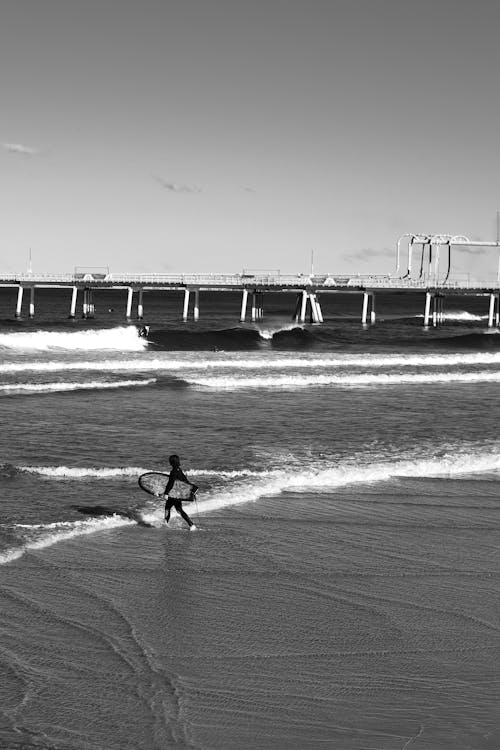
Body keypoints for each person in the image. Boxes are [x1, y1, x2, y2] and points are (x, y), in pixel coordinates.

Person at [163, 454, 197, 530]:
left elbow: (170, 483)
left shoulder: (173, 471)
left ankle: (165, 523)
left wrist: (166, 493)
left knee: (168, 508)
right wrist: (191, 490)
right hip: (178, 493)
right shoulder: (179, 470)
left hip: (173, 494)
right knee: (178, 509)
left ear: (171, 462)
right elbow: (185, 481)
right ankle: (191, 525)